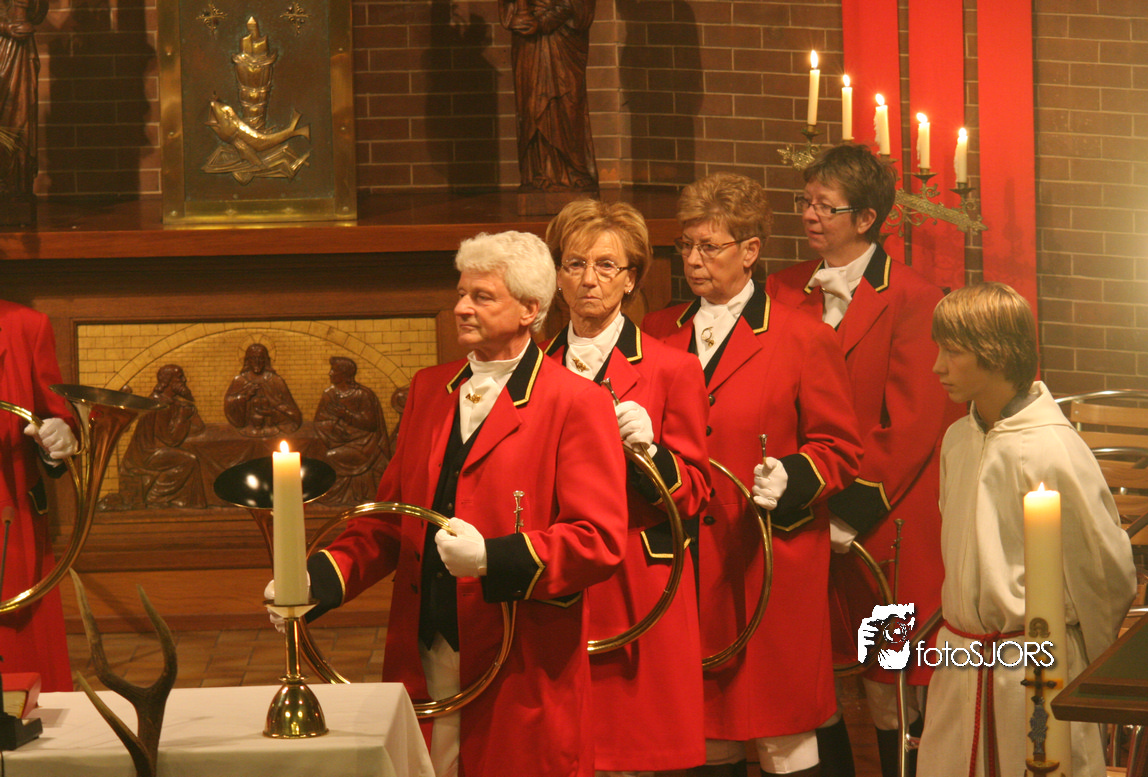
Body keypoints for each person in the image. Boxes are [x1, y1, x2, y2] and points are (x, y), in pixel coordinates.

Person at [285, 231, 628, 777]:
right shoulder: (429, 389)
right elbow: (391, 522)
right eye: (461, 293)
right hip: (424, 649)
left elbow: (599, 540)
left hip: (520, 660)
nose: (462, 307)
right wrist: (313, 582)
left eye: (482, 296)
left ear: (530, 309)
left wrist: (494, 557)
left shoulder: (576, 402)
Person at [642, 173, 863, 777]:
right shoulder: (657, 332)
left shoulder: (802, 336)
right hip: (687, 560)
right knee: (704, 734)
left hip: (767, 560)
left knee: (782, 736)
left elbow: (841, 447)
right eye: (686, 245)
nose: (693, 260)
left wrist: (794, 475)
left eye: (709, 246)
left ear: (750, 250)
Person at [765, 143, 952, 777]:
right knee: (809, 674)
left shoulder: (916, 297)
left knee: (891, 685)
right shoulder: (781, 289)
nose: (809, 215)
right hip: (799, 516)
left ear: (867, 218)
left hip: (882, 524)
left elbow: (911, 423)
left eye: (826, 205)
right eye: (805, 202)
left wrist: (847, 510)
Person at [917, 282, 1136, 777]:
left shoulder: (1052, 449)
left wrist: (1083, 668)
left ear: (995, 353)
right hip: (962, 663)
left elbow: (1104, 575)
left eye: (953, 351)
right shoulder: (956, 439)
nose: (937, 366)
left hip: (1034, 670)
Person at [542, 198, 711, 775]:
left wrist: (652, 454)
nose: (588, 280)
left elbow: (696, 491)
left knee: (632, 752)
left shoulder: (671, 368)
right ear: (557, 276)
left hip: (637, 580)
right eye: (574, 264)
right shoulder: (533, 369)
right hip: (557, 576)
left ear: (631, 278)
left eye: (606, 266)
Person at [0, 300, 79, 692]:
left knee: (21, 673)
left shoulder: (26, 326)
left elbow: (55, 417)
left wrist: (58, 438)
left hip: (9, 521)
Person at [499, 0, 598, 191]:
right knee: (532, 105)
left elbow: (579, 6)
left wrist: (544, 21)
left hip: (564, 38)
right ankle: (539, 172)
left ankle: (574, 170)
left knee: (568, 105)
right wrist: (523, 17)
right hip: (529, 41)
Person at [110, 364, 206, 509]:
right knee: (189, 460)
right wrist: (182, 418)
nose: (185, 380)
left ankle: (189, 501)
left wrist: (191, 415)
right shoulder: (159, 404)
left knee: (194, 454)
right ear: (168, 382)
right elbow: (170, 440)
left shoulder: (173, 403)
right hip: (146, 455)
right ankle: (156, 497)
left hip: (156, 451)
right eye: (180, 378)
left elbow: (198, 428)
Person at [313, 356, 391, 505]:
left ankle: (333, 496)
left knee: (330, 456)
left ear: (344, 374)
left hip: (363, 444)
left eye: (334, 370)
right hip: (336, 440)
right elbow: (320, 420)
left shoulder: (363, 394)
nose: (330, 373)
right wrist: (333, 428)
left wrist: (346, 415)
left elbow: (371, 424)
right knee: (315, 452)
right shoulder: (329, 394)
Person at [0, 0, 48, 201]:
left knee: (21, 116)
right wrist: (5, 27)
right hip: (4, 44)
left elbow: (37, 15)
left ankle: (17, 185)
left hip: (20, 50)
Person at [223, 343, 302, 437]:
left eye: (260, 358)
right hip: (247, 430)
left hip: (273, 429)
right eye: (253, 358)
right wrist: (245, 397)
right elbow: (229, 403)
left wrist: (273, 413)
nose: (257, 362)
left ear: (266, 360)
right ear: (248, 361)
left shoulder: (276, 381)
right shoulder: (239, 381)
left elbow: (291, 411)